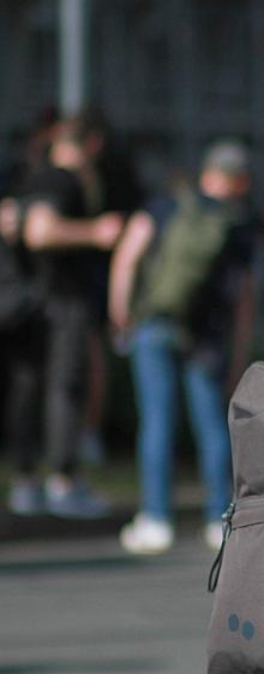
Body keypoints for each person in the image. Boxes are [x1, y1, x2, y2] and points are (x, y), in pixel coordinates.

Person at [108, 140, 256, 553]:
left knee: (157, 421)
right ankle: (218, 520)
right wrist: (239, 355)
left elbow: (127, 257)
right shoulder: (237, 226)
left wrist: (121, 314)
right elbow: (245, 300)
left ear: (206, 172)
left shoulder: (165, 206)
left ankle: (156, 519)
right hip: (206, 337)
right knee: (211, 425)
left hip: (155, 324)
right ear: (240, 181)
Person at [14, 111, 132, 517]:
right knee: (66, 387)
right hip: (61, 300)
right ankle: (63, 481)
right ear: (93, 144)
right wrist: (95, 231)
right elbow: (40, 232)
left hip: (31, 302)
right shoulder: (60, 180)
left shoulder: (33, 178)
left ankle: (27, 481)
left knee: (29, 390)